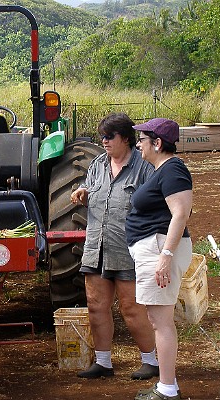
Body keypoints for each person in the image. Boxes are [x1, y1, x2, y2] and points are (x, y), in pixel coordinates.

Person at [70, 113, 158, 380]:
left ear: (126, 139)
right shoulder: (97, 164)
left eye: (110, 137)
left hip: (128, 247)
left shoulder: (144, 168)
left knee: (132, 308)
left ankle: (151, 360)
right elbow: (92, 188)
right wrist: (83, 192)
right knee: (96, 305)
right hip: (97, 245)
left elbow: (157, 203)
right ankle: (103, 362)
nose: (104, 141)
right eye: (102, 137)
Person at [126, 118, 193, 400]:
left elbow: (180, 213)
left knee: (160, 322)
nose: (138, 143)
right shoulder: (162, 170)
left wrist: (165, 256)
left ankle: (167, 387)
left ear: (158, 143)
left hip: (159, 249)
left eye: (142, 139)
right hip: (154, 248)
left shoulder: (173, 170)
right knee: (157, 319)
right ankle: (167, 383)